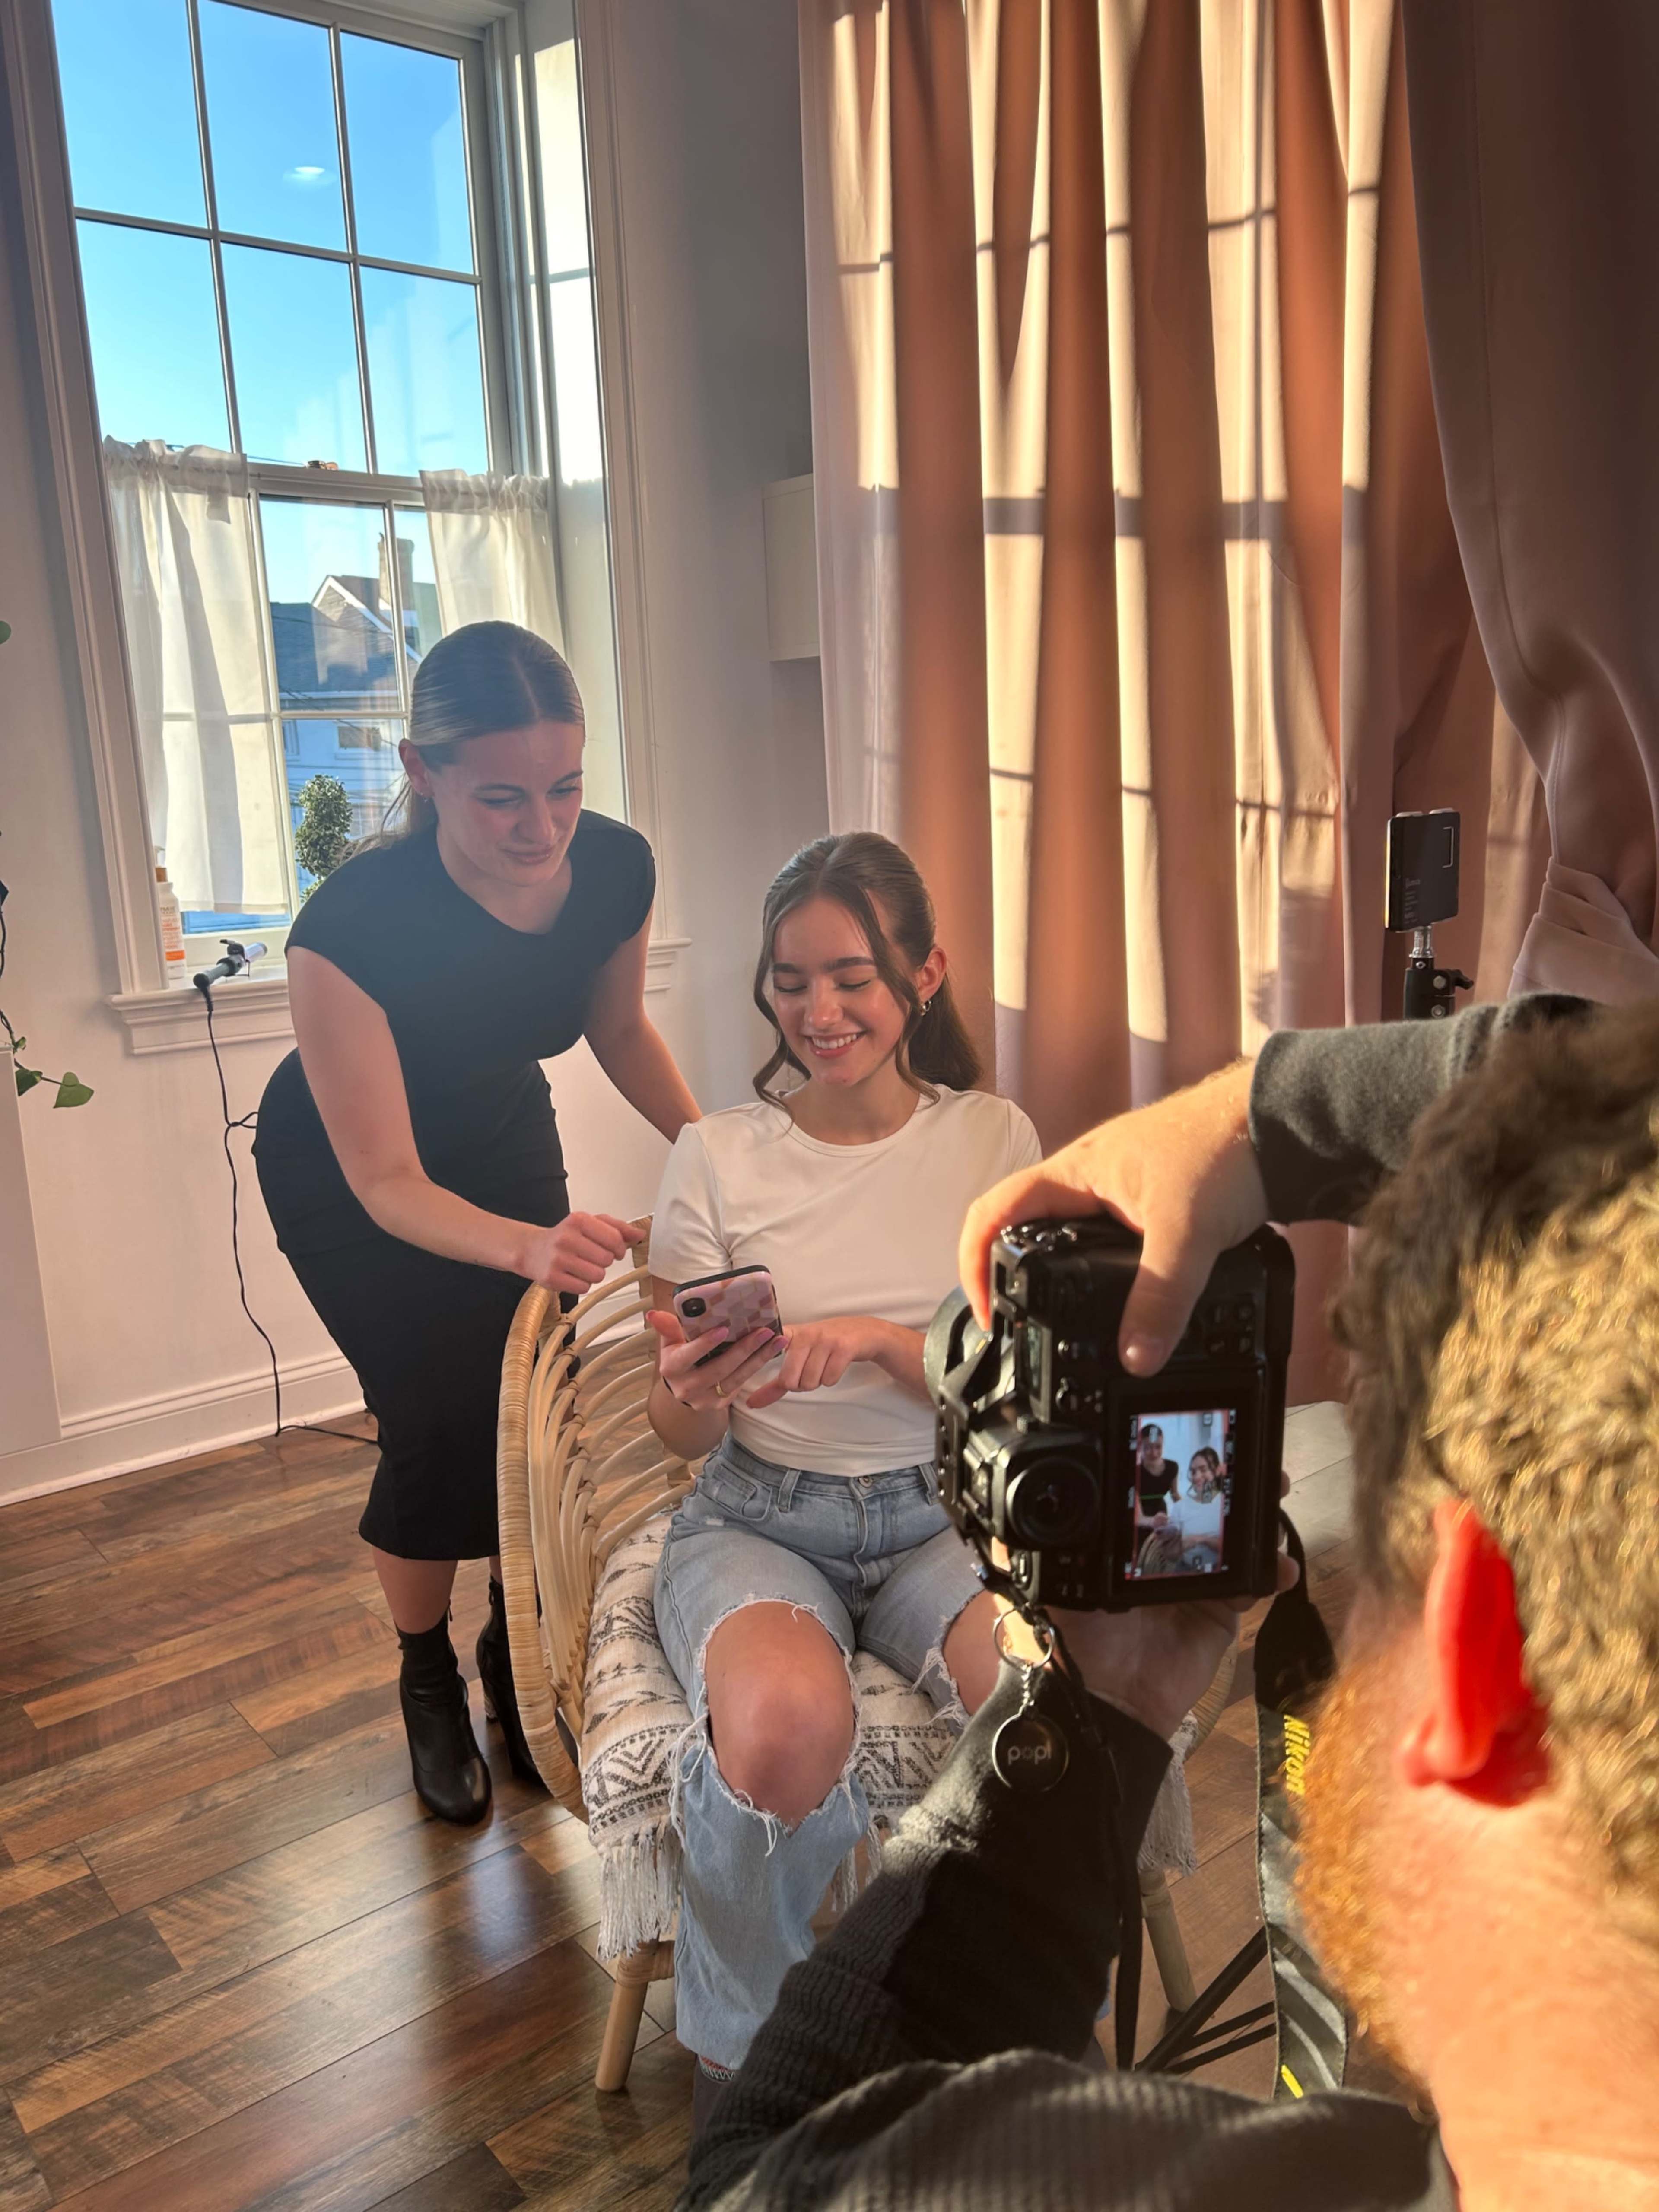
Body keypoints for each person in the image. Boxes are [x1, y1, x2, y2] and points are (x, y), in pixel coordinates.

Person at [682, 991, 1659, 2212]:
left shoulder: (1074, 2179)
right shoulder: (721, 1151)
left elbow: (768, 2172)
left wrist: (1264, 1116)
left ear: (1478, 1658)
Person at [255, 622, 698, 1827]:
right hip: (348, 1172)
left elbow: (617, 1032)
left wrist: (716, 1150)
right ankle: (426, 1677)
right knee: (437, 1417)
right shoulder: (348, 927)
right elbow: (390, 1183)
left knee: (522, 1411)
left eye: (564, 788)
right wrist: (523, 1246)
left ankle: (518, 1648)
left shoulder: (614, 868)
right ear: (418, 770)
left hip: (501, 1129)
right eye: (502, 796)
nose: (541, 826)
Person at [644, 831, 1042, 2107]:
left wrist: (876, 1345)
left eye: (852, 977)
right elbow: (681, 1437)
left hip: (949, 1513)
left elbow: (1019, 1384)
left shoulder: (995, 1138)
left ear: (923, 976)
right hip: (764, 1518)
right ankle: (748, 2079)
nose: (820, 1011)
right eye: (791, 979)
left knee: (1037, 1720)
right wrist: (689, 1393)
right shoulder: (714, 1157)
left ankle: (1011, 2035)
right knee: (780, 1731)